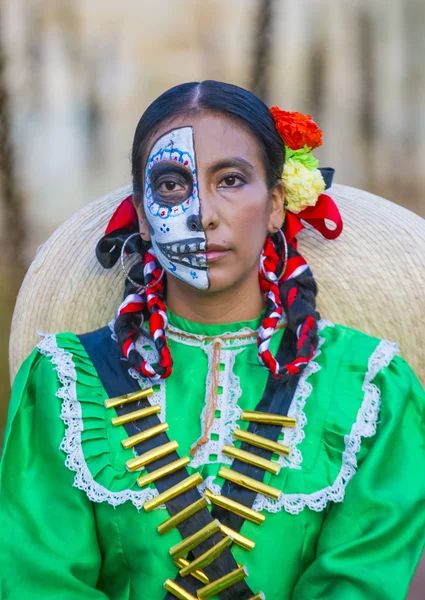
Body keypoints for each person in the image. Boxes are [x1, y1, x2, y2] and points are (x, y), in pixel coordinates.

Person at [1, 80, 424, 600]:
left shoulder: (367, 387)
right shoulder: (68, 380)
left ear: (275, 204)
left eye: (230, 179)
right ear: (142, 211)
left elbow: (364, 582)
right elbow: (39, 581)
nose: (202, 213)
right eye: (174, 185)